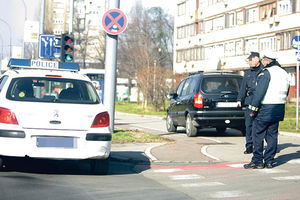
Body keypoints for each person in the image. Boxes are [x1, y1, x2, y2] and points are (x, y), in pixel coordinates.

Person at [244, 51, 289, 169]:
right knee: (272, 135)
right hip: (279, 108)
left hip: (265, 109)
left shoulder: (266, 73)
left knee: (257, 134)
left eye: (264, 60)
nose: (263, 62)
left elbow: (259, 93)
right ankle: (269, 160)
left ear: (268, 60)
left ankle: (257, 161)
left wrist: (253, 109)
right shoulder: (284, 73)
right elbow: (287, 91)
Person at [237, 52, 263, 154]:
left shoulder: (264, 71)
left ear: (257, 59)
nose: (250, 62)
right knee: (249, 125)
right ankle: (249, 145)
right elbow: (243, 88)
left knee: (260, 125)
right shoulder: (248, 73)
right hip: (250, 100)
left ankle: (259, 145)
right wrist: (240, 99)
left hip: (261, 101)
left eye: (251, 60)